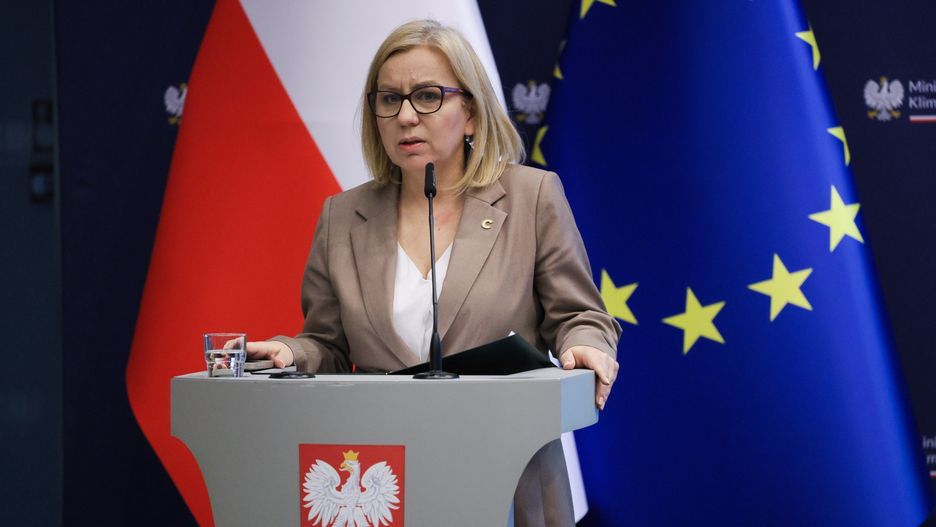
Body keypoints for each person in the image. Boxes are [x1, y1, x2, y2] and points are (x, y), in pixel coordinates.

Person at [246, 19, 621, 526]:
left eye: (427, 96)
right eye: (389, 99)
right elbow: (328, 345)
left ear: (471, 113)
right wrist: (291, 353)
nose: (406, 116)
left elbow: (579, 315)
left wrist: (586, 345)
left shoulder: (531, 197)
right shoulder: (343, 216)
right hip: (385, 473)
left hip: (508, 473)